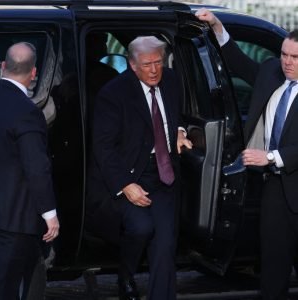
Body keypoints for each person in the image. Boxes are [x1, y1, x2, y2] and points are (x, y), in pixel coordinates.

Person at [196, 8, 298, 300]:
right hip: (275, 190)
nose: (287, 62)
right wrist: (216, 26)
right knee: (273, 270)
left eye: (294, 57)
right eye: (284, 54)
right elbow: (238, 62)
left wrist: (269, 157)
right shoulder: (272, 72)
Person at [86, 36, 192, 300]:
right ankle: (126, 274)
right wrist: (125, 184)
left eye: (158, 62)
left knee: (165, 247)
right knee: (142, 227)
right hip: (131, 172)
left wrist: (178, 132)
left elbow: (174, 114)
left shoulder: (170, 80)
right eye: (147, 65)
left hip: (165, 173)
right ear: (132, 65)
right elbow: (103, 146)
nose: (154, 70)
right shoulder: (113, 94)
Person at [0, 42, 60, 300]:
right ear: (34, 73)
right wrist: (50, 214)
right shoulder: (27, 113)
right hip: (15, 220)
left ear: (3, 66)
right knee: (9, 287)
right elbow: (37, 167)